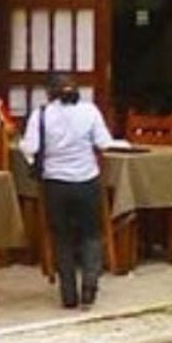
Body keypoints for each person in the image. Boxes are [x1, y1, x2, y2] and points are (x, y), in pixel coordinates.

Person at [20, 75, 113, 309]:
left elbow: (31, 147)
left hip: (55, 184)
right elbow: (104, 143)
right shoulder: (90, 111)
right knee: (91, 234)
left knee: (61, 237)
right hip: (86, 180)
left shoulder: (41, 115)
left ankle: (68, 295)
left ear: (50, 93)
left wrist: (20, 143)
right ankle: (90, 285)